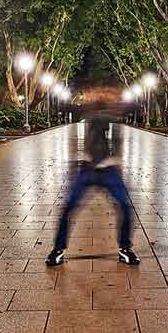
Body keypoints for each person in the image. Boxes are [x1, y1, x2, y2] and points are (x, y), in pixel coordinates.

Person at [46, 88, 140, 266]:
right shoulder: (93, 118)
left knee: (124, 206)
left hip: (108, 170)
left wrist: (111, 159)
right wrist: (83, 157)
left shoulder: (108, 119)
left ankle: (125, 249)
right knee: (69, 207)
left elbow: (115, 143)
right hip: (88, 170)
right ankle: (57, 250)